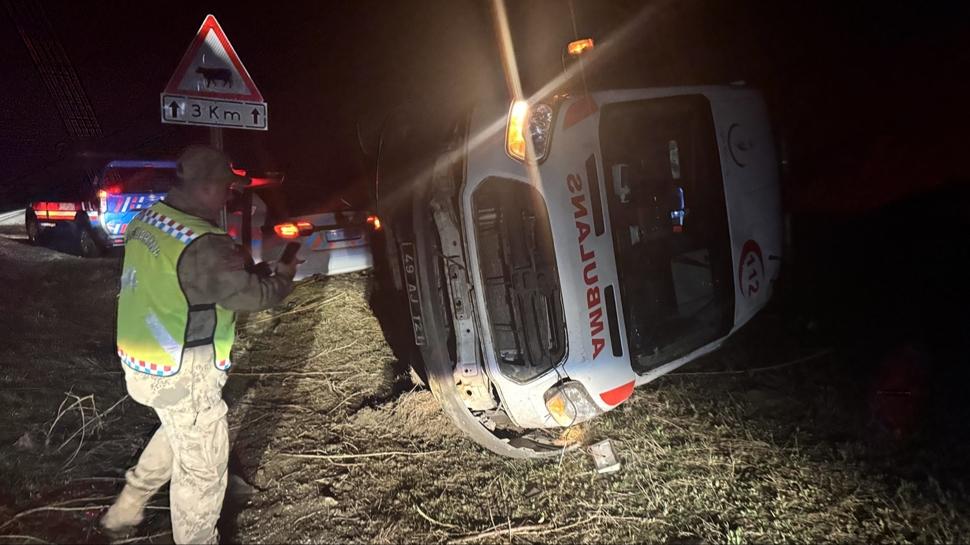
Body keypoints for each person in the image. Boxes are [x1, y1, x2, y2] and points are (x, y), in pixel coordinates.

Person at [100, 145, 297, 543]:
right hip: (184, 370)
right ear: (207, 186)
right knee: (203, 473)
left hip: (143, 363)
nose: (228, 195)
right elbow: (248, 297)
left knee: (177, 431)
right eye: (226, 187)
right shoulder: (204, 241)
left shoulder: (148, 220)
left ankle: (125, 510)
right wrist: (283, 277)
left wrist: (246, 270)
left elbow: (183, 281)